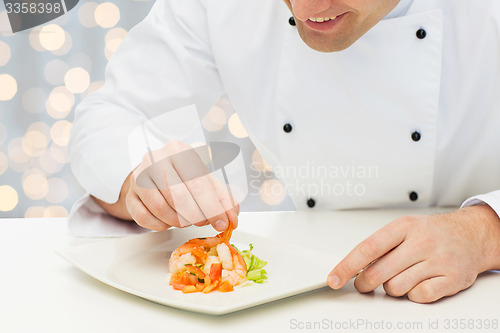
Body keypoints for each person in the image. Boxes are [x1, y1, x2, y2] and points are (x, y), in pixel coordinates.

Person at [69, 0, 500, 303]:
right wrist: (137, 181)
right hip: (309, 294)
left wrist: (484, 234)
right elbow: (112, 113)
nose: (308, 6)